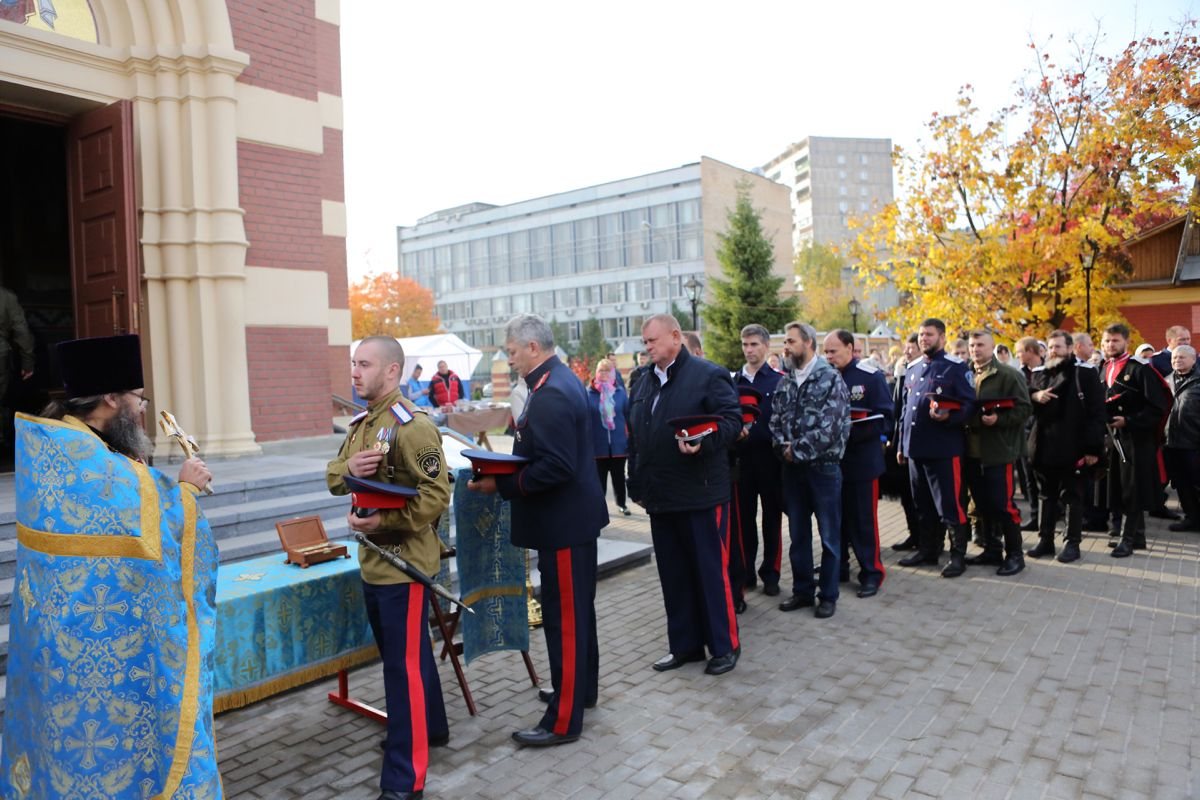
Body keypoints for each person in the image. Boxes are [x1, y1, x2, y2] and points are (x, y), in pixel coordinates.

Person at [0, 334, 220, 800]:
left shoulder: (56, 448)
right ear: (111, 399)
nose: (142, 409)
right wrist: (185, 491)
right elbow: (156, 538)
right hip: (96, 647)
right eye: (138, 398)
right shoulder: (95, 465)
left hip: (60, 644)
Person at [468, 314, 606, 747]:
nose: (509, 360)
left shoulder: (552, 392)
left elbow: (557, 466)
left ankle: (563, 721)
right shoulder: (557, 381)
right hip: (569, 522)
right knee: (577, 615)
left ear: (532, 347)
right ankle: (579, 692)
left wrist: (503, 484)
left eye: (512, 352)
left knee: (565, 622)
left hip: (562, 526)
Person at [327, 336, 451, 800]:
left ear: (392, 371)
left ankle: (405, 780)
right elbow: (334, 476)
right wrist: (350, 469)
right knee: (408, 662)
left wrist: (384, 521)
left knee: (404, 673)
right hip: (374, 564)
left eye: (365, 364)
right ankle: (429, 728)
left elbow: (437, 494)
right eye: (353, 363)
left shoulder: (411, 426)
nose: (354, 372)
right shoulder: (362, 424)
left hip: (405, 567)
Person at [627, 314, 742, 675]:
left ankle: (724, 646)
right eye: (645, 342)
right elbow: (636, 438)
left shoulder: (708, 375)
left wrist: (703, 442)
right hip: (661, 496)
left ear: (676, 337)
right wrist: (635, 484)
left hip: (700, 494)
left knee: (709, 573)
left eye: (652, 340)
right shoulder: (643, 381)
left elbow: (732, 421)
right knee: (674, 575)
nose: (647, 347)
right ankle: (685, 646)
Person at [771, 322, 850, 618]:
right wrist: (782, 447)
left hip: (823, 469)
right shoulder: (786, 381)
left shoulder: (830, 378)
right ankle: (802, 591)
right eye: (785, 341)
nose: (786, 347)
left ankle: (828, 595)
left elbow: (831, 426)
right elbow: (775, 420)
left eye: (791, 341)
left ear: (808, 343)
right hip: (792, 470)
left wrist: (797, 450)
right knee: (799, 535)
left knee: (829, 536)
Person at [896, 318, 976, 577]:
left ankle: (957, 555)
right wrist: (901, 444)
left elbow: (969, 405)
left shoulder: (955, 367)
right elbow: (905, 410)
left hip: (944, 449)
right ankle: (928, 550)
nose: (924, 339)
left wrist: (950, 417)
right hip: (915, 449)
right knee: (922, 505)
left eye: (929, 334)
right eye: (921, 334)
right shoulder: (913, 367)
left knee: (950, 505)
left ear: (942, 337)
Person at [823, 329, 892, 598]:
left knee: (863, 522)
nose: (829, 356)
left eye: (833, 351)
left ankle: (871, 572)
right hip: (831, 463)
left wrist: (854, 432)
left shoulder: (870, 377)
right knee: (835, 520)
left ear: (850, 348)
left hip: (861, 462)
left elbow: (886, 417)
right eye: (826, 352)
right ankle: (838, 567)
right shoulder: (824, 376)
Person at [1027, 330, 1106, 562]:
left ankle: (1072, 544)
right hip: (1044, 446)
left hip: (1074, 446)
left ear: (1070, 349)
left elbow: (1097, 413)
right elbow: (1027, 401)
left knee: (1073, 496)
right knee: (1046, 496)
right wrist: (1035, 396)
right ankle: (1045, 540)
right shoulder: (1039, 373)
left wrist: (1092, 449)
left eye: (1058, 347)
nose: (1053, 351)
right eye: (1051, 347)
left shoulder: (1084, 373)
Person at [963, 330, 1033, 576]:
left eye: (980, 345)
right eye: (972, 345)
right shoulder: (965, 374)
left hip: (998, 451)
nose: (975, 349)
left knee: (1003, 505)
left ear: (991, 347)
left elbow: (1025, 409)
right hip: (971, 452)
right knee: (982, 504)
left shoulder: (1008, 375)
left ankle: (1015, 555)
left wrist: (999, 419)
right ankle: (992, 549)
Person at [1101, 323, 1171, 557]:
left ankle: (1128, 538)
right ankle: (1136, 536)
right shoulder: (1105, 368)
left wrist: (1129, 421)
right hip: (1114, 438)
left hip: (1137, 439)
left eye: (1116, 341)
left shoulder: (1140, 369)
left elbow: (1157, 406)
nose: (1111, 345)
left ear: (1126, 342)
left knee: (1133, 489)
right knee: (1121, 488)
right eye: (1107, 341)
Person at [733, 323, 785, 596]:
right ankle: (746, 573)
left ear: (766, 346)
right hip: (742, 460)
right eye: (745, 344)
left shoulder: (779, 380)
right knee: (744, 520)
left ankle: (771, 573)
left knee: (772, 518)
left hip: (770, 459)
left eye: (754, 344)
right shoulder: (733, 382)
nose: (749, 350)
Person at [888, 333, 924, 552]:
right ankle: (915, 535)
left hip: (922, 445)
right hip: (903, 445)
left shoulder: (924, 374)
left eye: (912, 348)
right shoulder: (904, 373)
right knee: (907, 496)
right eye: (907, 348)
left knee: (923, 498)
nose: (907, 352)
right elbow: (898, 412)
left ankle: (929, 541)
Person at [588, 358, 631, 516]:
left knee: (619, 477)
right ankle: (599, 508)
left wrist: (630, 439)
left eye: (607, 370)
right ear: (596, 373)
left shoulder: (620, 393)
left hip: (618, 444)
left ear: (613, 373)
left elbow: (628, 416)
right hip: (598, 445)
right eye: (601, 370)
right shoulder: (588, 394)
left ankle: (622, 504)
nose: (604, 373)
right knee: (599, 480)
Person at [1164, 345, 1200, 532]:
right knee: (1182, 484)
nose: (1177, 360)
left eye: (1182, 357)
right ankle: (1191, 518)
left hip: (1193, 443)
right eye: (1174, 357)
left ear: (1194, 359)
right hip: (1171, 443)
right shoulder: (1166, 381)